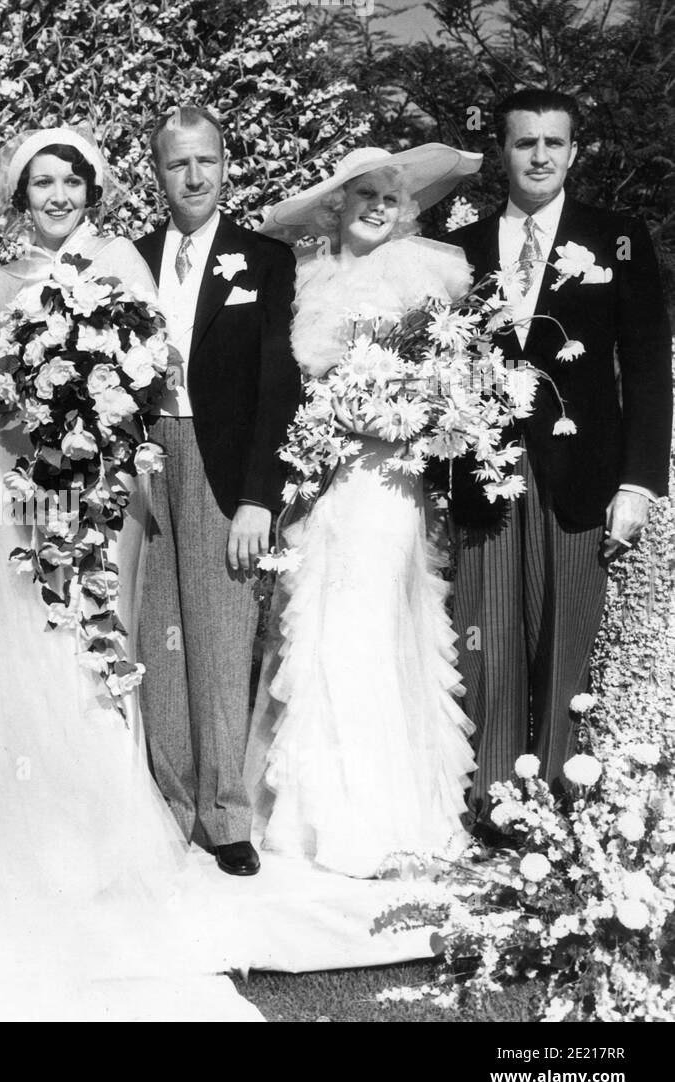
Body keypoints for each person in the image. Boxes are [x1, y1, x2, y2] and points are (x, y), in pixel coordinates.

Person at [0, 127, 259, 1021]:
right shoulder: (3, 276)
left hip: (103, 477)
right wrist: (26, 396)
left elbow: (156, 372)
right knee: (19, 632)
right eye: (43, 183)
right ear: (20, 195)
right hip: (20, 474)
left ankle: (100, 823)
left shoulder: (123, 264)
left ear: (93, 188)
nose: (59, 194)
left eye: (71, 179)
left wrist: (100, 399)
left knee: (96, 633)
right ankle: (16, 820)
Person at [247, 145, 483, 879]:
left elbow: (451, 383)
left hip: (388, 483)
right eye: (364, 196)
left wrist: (387, 415)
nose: (379, 208)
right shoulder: (309, 278)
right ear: (336, 208)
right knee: (320, 628)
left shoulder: (422, 275)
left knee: (371, 628)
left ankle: (385, 820)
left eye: (390, 196)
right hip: (327, 486)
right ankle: (321, 817)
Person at [442, 89, 672, 820]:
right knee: (487, 636)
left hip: (583, 475)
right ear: (501, 152)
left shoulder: (619, 236)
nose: (539, 156)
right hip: (485, 473)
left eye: (553, 142)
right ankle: (495, 804)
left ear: (574, 151)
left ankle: (560, 808)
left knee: (565, 638)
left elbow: (646, 368)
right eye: (524, 142)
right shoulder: (461, 249)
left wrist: (638, 482)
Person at [133, 106, 302, 877]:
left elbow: (278, 386)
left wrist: (260, 497)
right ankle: (170, 806)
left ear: (226, 164)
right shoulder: (130, 259)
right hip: (140, 456)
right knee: (156, 636)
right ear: (158, 172)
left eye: (206, 161)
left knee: (220, 632)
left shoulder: (264, 260)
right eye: (177, 164)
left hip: (220, 458)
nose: (193, 177)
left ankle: (226, 813)